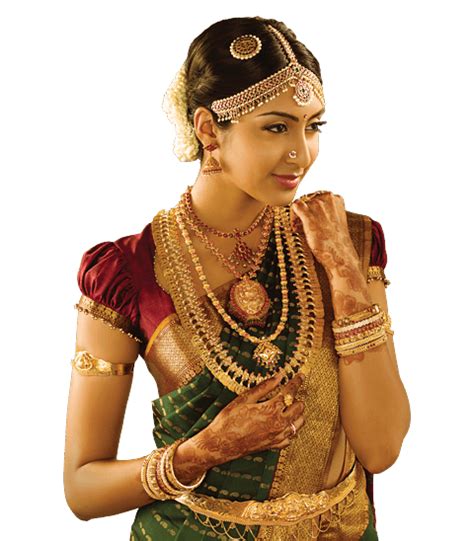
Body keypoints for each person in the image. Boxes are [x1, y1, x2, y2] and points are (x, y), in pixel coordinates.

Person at [63, 16, 411, 540]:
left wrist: (341, 270)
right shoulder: (129, 273)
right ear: (208, 129)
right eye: (276, 127)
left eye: (313, 125)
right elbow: (82, 489)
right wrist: (202, 452)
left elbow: (381, 447)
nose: (301, 152)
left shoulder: (348, 241)